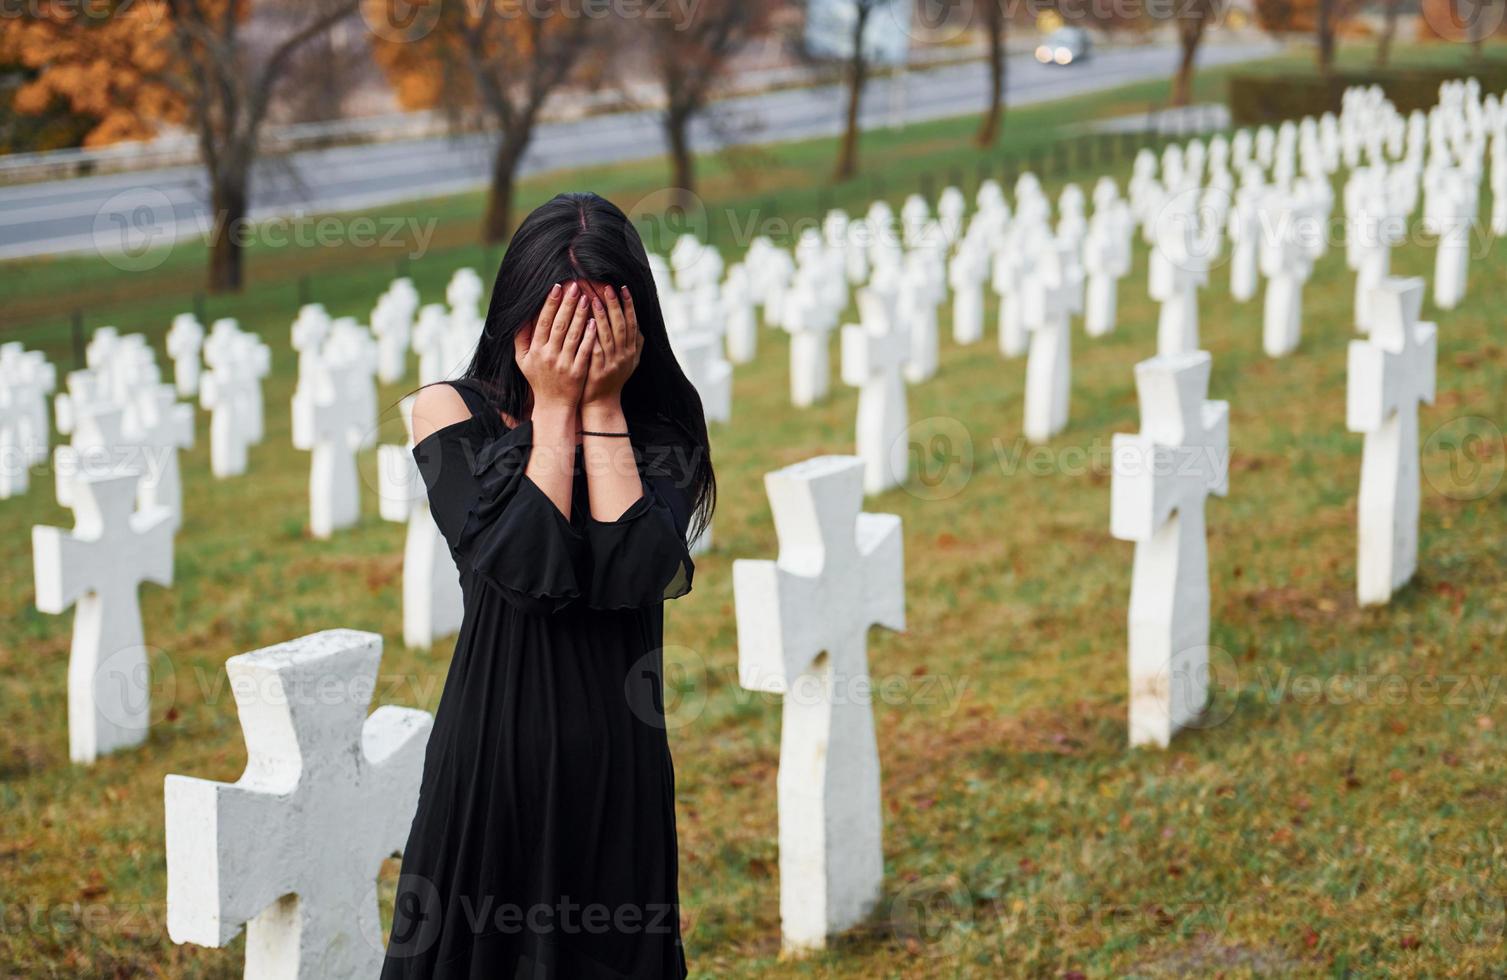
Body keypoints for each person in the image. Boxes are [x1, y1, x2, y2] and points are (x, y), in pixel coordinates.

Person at [381, 192, 714, 979]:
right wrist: (558, 409)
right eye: (557, 321)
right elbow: (523, 572)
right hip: (492, 754)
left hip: (616, 756)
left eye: (598, 321)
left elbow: (636, 571)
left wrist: (599, 404)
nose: (578, 344)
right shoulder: (445, 413)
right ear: (515, 316)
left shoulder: (660, 429)